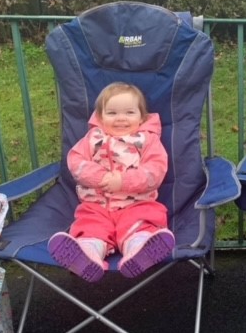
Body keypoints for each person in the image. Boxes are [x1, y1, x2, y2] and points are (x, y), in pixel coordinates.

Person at [48, 82, 174, 282]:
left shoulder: (148, 140)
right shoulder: (92, 139)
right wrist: (101, 177)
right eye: (112, 113)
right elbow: (76, 162)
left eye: (129, 112)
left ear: (142, 117)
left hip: (137, 204)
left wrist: (124, 181)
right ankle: (88, 255)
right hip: (96, 206)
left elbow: (155, 171)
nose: (121, 118)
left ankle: (139, 250)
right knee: (90, 228)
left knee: (140, 226)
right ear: (100, 117)